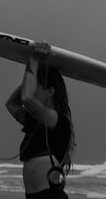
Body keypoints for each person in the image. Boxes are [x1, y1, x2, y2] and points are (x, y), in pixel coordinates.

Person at [5, 41, 75, 198]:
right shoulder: (35, 121)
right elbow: (11, 105)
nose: (32, 89)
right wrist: (32, 76)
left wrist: (34, 61)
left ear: (50, 92)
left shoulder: (59, 121)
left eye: (37, 86)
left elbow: (27, 98)